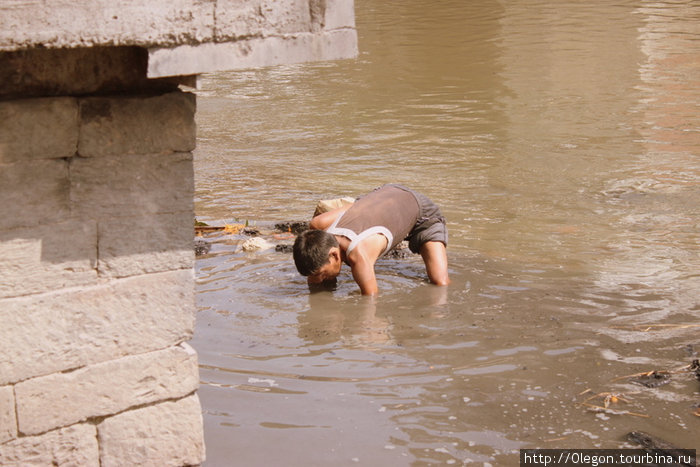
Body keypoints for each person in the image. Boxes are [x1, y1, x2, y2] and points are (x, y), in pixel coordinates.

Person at [293, 184, 449, 296]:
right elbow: (354, 205)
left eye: (321, 274)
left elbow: (371, 301)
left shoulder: (358, 255)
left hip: (421, 213)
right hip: (385, 193)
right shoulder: (318, 226)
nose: (318, 279)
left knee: (440, 283)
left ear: (334, 255)